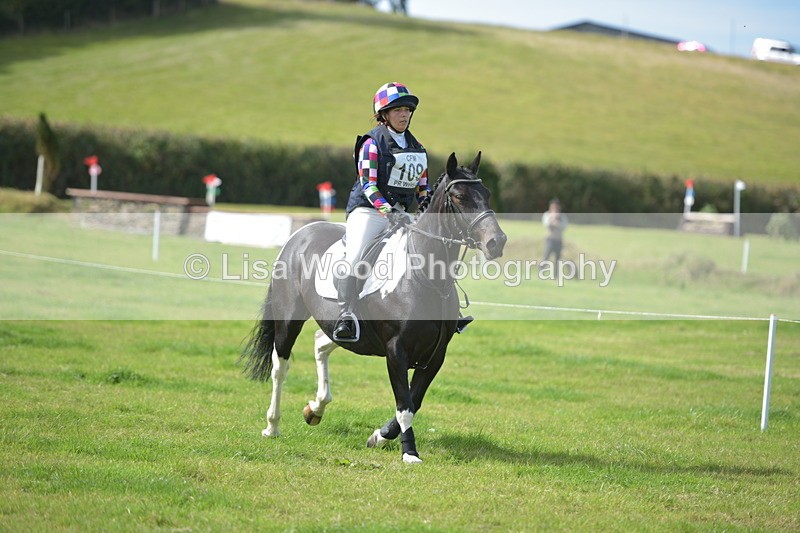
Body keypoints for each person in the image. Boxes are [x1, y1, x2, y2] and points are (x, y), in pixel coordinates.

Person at [333, 82, 430, 342]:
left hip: (400, 215)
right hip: (369, 212)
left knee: (429, 254)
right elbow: (368, 185)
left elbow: (422, 188)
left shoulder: (418, 148)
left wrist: (427, 208)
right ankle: (345, 315)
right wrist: (389, 211)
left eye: (408, 110)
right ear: (383, 114)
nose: (404, 115)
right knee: (356, 257)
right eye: (397, 109)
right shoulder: (371, 144)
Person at [541, 198, 568, 266]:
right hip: (550, 239)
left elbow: (564, 226)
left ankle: (556, 275)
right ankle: (541, 270)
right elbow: (546, 223)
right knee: (546, 257)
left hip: (558, 240)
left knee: (558, 259)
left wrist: (557, 223)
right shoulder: (547, 214)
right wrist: (553, 219)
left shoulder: (562, 216)